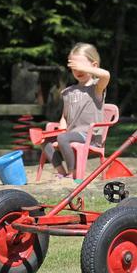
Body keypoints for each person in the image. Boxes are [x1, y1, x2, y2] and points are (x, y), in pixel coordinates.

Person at [42, 43, 111, 179]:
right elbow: (64, 115)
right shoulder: (68, 92)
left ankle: (73, 172)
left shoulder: (96, 87)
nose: (78, 70)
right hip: (70, 134)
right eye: (75, 67)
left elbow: (106, 75)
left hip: (89, 136)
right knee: (45, 141)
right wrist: (62, 126)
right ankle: (61, 171)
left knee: (63, 138)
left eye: (81, 66)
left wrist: (86, 68)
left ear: (94, 66)